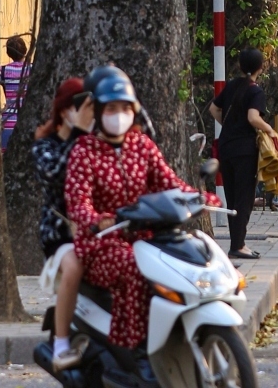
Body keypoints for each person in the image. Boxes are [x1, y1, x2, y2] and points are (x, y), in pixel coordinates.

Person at [65, 66, 212, 354]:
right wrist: (98, 220)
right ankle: (132, 349)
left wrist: (200, 199)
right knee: (135, 268)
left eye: (125, 108)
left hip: (146, 237)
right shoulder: (84, 151)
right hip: (101, 244)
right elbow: (77, 203)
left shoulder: (142, 146)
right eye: (111, 108)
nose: (119, 115)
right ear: (98, 112)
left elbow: (170, 183)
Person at [33, 77, 97, 369]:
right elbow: (58, 174)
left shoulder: (95, 140)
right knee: (75, 265)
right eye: (81, 106)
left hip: (95, 227)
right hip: (60, 233)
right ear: (64, 110)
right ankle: (60, 345)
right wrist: (79, 134)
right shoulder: (44, 147)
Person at [209, 46, 278, 260]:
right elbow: (252, 117)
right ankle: (238, 245)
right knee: (244, 199)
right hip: (244, 151)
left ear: (241, 66)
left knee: (232, 198)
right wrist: (270, 130)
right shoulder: (255, 91)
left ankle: (236, 243)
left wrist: (229, 125)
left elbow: (213, 109)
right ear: (261, 67)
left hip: (226, 148)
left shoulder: (232, 85)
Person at [0, 35, 32, 151]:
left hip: (7, 122)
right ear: (25, 50)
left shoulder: (2, 70)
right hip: (28, 121)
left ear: (8, 53)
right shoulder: (32, 69)